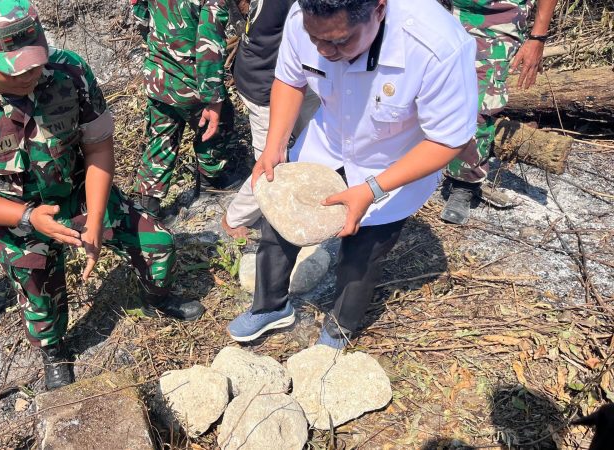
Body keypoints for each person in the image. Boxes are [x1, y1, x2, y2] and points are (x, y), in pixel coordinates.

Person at [0, 0, 204, 390]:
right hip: (12, 216)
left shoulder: (69, 71)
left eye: (36, 59)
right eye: (16, 68)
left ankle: (157, 299)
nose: (33, 74)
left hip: (77, 192)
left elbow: (99, 147)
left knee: (157, 244)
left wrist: (97, 218)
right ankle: (54, 351)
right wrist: (27, 218)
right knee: (40, 296)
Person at [226, 0, 478, 349]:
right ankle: (271, 307)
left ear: (378, 9)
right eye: (317, 41)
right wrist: (275, 146)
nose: (326, 51)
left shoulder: (437, 45)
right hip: (327, 143)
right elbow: (289, 78)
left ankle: (339, 328)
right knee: (279, 222)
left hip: (393, 164)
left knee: (361, 251)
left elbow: (449, 140)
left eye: (341, 42)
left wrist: (371, 188)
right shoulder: (306, 16)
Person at [441, 0, 558, 225]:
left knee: (477, 102)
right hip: (446, 11)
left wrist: (538, 38)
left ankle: (465, 183)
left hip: (497, 22)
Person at [131, 0, 244, 217]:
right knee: (215, 125)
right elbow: (209, 44)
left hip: (158, 75)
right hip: (193, 81)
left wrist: (165, 51)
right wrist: (213, 98)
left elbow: (140, 16)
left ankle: (148, 208)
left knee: (161, 138)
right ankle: (213, 181)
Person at [221, 0, 321, 239]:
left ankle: (310, 190)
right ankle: (235, 218)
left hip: (282, 75)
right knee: (271, 163)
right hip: (267, 85)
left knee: (318, 135)